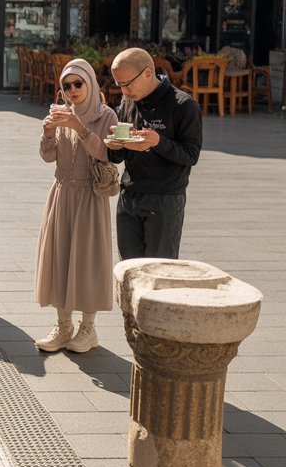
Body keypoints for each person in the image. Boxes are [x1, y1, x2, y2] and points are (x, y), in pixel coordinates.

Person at [34, 60, 119, 354]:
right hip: (61, 193)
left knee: (87, 260)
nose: (72, 91)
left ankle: (88, 329)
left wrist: (79, 127)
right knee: (59, 257)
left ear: (90, 84)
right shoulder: (60, 113)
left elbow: (106, 154)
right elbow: (48, 158)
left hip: (89, 196)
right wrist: (47, 134)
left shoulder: (106, 115)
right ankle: (63, 325)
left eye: (77, 84)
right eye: (66, 86)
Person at [105, 47, 203, 261]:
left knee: (159, 268)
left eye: (127, 84)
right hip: (129, 195)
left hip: (165, 198)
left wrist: (158, 142)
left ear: (148, 72)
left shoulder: (183, 105)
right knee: (128, 270)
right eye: (119, 85)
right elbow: (117, 157)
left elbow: (191, 155)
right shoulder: (128, 102)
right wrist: (114, 145)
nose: (124, 91)